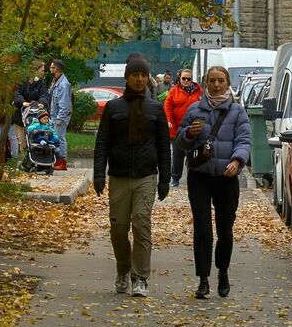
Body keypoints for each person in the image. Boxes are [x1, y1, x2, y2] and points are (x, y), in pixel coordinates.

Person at [94, 53, 171, 296]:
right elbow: (103, 142)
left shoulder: (155, 109)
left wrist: (165, 179)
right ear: (127, 77)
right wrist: (98, 174)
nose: (139, 79)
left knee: (141, 225)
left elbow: (162, 145)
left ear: (147, 78)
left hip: (146, 177)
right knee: (118, 228)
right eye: (135, 75)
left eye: (143, 75)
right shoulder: (114, 108)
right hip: (118, 175)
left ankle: (140, 277)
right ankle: (123, 268)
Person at [176, 66, 251, 299]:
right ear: (205, 83)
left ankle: (223, 271)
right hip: (200, 176)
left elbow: (244, 139)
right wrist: (189, 133)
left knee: (225, 229)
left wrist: (237, 161)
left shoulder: (237, 112)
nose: (216, 85)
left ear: (227, 83)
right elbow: (180, 142)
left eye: (221, 81)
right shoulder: (195, 110)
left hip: (226, 178)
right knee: (202, 228)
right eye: (212, 81)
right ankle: (203, 279)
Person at [163, 67, 202, 188]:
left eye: (188, 79)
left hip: (194, 129)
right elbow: (167, 106)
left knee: (192, 154)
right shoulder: (174, 91)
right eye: (183, 78)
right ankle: (175, 178)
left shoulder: (199, 91)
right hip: (177, 130)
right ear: (179, 79)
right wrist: (168, 120)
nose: (186, 80)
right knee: (177, 155)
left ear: (192, 80)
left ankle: (193, 178)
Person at [46, 60, 74, 167]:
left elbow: (64, 104)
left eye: (51, 67)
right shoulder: (56, 81)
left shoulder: (63, 84)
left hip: (60, 117)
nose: (50, 69)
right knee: (56, 137)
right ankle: (57, 160)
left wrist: (59, 119)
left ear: (56, 69)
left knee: (60, 138)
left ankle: (62, 161)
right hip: (55, 116)